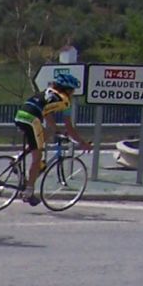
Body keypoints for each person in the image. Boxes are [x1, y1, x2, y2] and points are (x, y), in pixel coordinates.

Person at [14, 72, 91, 207]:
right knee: (37, 158)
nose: (73, 94)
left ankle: (18, 158)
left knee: (44, 135)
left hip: (20, 115)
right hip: (32, 120)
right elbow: (70, 127)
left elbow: (47, 114)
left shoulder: (48, 92)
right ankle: (28, 192)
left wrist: (56, 130)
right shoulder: (65, 101)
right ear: (67, 90)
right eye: (72, 91)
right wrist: (82, 143)